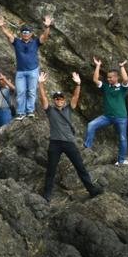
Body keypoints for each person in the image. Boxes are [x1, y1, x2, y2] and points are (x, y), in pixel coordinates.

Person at [39, 71, 103, 201]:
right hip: (55, 143)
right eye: (56, 98)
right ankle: (47, 195)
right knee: (51, 170)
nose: (59, 100)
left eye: (61, 98)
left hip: (69, 143)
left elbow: (75, 97)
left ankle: (92, 190)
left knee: (80, 167)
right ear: (54, 100)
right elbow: (43, 98)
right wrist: (40, 84)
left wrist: (78, 84)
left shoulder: (69, 108)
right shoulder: (50, 110)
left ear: (64, 100)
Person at [0, 15, 52, 119]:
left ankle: (30, 111)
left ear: (31, 34)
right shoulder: (17, 42)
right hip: (21, 72)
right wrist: (1, 27)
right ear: (21, 34)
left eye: (27, 32)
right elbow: (9, 35)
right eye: (23, 32)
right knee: (20, 92)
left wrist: (47, 27)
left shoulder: (35, 42)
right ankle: (21, 112)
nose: (25, 34)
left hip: (33, 70)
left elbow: (44, 37)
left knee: (31, 91)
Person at [84, 57, 128, 166]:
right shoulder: (106, 87)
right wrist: (98, 66)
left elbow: (125, 79)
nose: (108, 79)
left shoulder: (122, 88)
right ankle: (87, 149)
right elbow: (95, 80)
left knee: (122, 138)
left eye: (110, 77)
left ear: (116, 77)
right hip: (107, 117)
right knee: (91, 125)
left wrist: (121, 67)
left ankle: (121, 161)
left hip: (121, 118)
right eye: (107, 77)